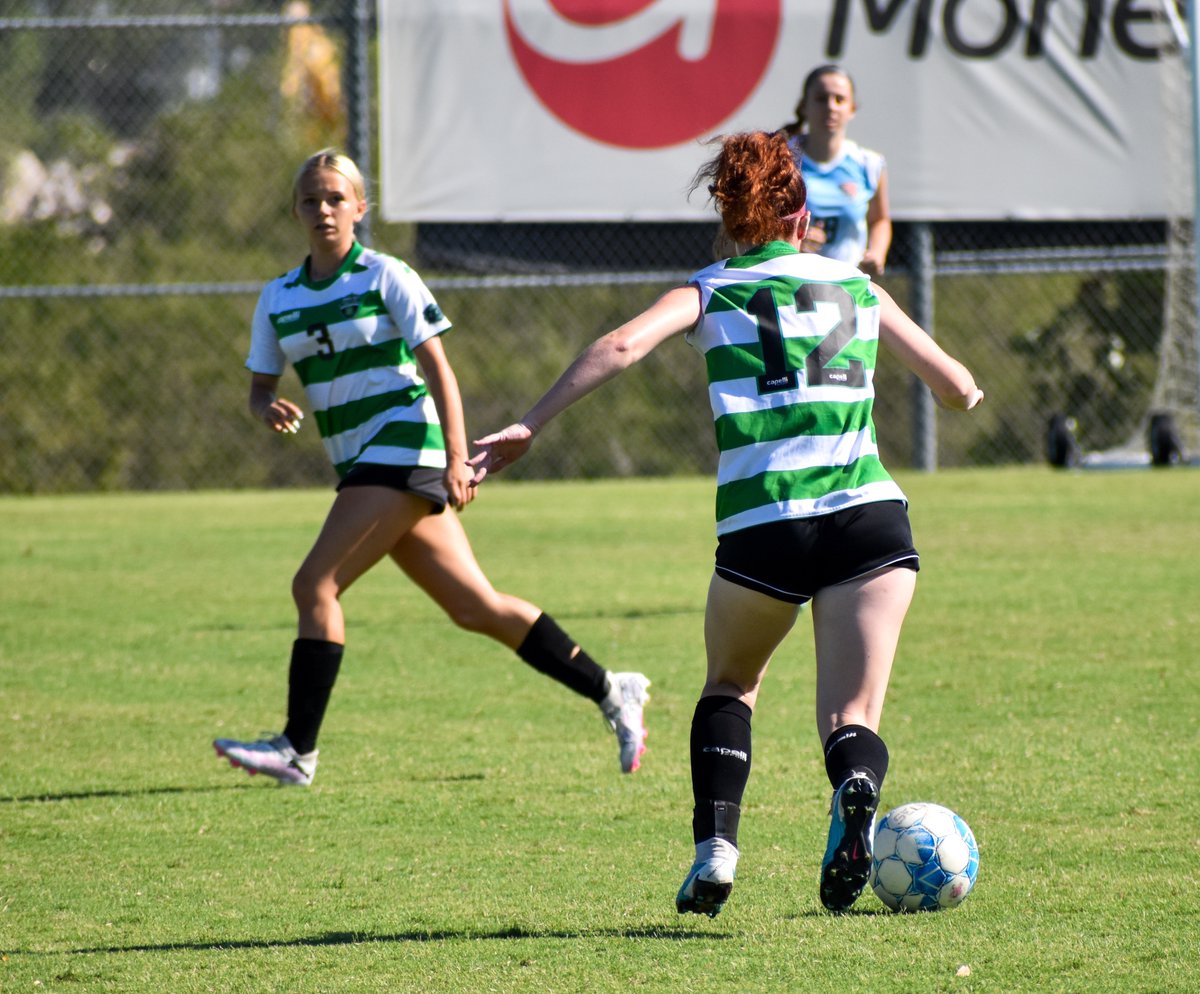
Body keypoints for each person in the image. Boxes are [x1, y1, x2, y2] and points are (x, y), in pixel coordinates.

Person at [469, 131, 983, 916]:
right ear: (804, 215)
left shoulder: (710, 288)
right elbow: (956, 387)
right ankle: (855, 787)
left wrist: (532, 423)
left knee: (733, 684)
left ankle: (716, 853)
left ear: (728, 215)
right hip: (868, 518)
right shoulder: (856, 286)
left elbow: (621, 343)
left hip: (765, 523)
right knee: (850, 716)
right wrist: (959, 394)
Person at [212, 149, 650, 787]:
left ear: (361, 208)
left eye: (337, 198)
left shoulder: (385, 275)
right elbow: (258, 385)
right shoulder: (277, 297)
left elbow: (440, 370)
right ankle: (613, 690)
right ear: (296, 211)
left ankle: (296, 751)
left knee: (315, 587)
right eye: (311, 199)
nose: (324, 209)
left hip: (403, 447)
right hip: (364, 460)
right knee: (475, 607)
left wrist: (454, 455)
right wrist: (263, 406)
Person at [781, 64, 892, 277]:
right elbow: (759, 226)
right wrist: (793, 241)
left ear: (852, 109)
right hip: (793, 284)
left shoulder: (869, 164)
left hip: (849, 286)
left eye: (840, 99)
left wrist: (876, 255)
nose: (831, 107)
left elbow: (880, 219)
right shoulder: (781, 161)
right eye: (821, 99)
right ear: (804, 106)